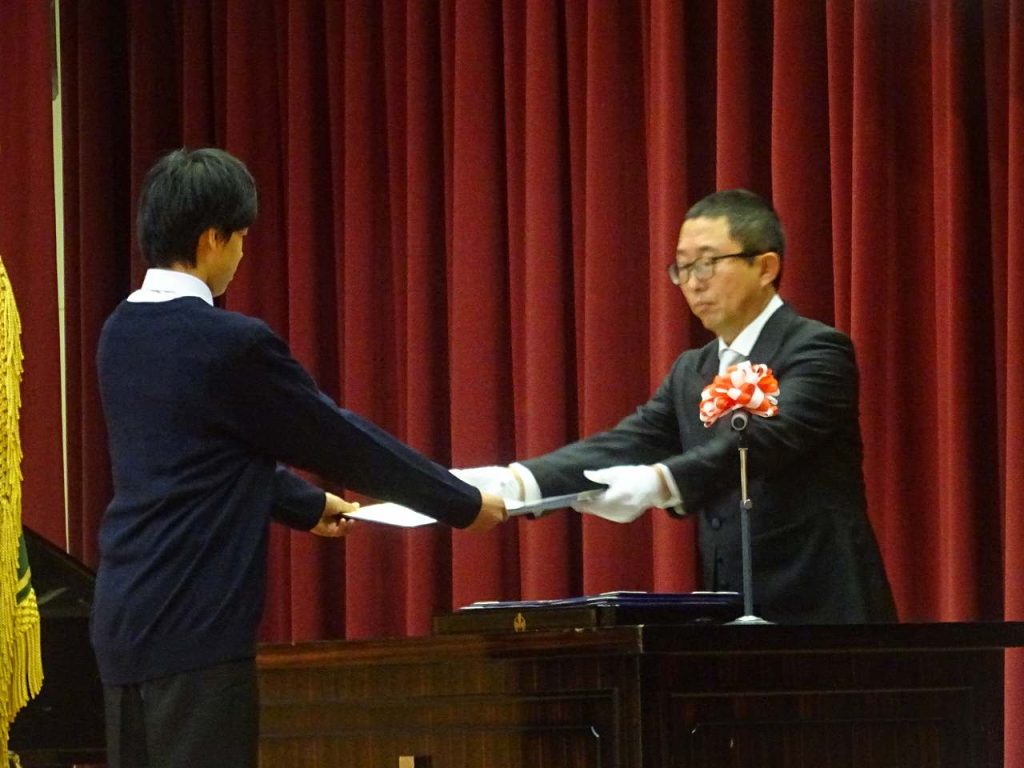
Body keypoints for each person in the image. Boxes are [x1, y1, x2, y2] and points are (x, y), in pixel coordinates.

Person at [92, 147, 507, 768]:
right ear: (211, 239)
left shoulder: (119, 332)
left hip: (124, 619)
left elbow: (196, 456)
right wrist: (462, 502)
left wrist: (306, 505)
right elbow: (339, 440)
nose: (242, 254)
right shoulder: (229, 343)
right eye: (240, 238)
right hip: (195, 626)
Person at [455, 189, 896, 625]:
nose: (694, 282)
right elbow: (630, 443)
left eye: (707, 263)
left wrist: (662, 481)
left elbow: (769, 438)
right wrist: (518, 482)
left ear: (765, 267)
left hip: (825, 608)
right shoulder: (692, 369)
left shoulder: (817, 349)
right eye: (683, 267)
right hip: (734, 613)